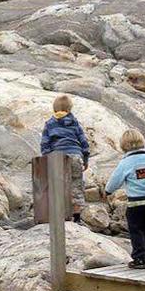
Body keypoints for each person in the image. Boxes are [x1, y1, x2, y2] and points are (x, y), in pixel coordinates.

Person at [105, 128, 145, 268]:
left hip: (136, 203)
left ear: (123, 145)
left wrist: (108, 191)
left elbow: (115, 180)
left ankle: (139, 257)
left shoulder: (126, 163)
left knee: (136, 229)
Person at [39, 94, 91, 226]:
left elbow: (45, 143)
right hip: (75, 155)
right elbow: (83, 141)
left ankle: (59, 214)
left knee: (58, 185)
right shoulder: (74, 123)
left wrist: (47, 157)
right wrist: (85, 158)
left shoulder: (50, 123)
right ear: (69, 109)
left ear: (55, 109)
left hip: (57, 157)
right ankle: (77, 217)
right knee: (76, 185)